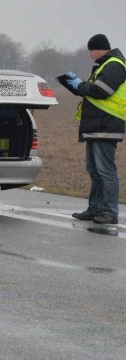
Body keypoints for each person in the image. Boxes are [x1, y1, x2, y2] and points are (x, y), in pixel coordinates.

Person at [60, 33, 125, 225]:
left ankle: (110, 212)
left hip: (106, 125)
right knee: (94, 170)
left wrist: (81, 85)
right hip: (96, 125)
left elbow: (102, 91)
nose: (89, 54)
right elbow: (93, 90)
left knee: (106, 171)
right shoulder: (104, 65)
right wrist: (79, 86)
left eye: (91, 50)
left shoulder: (114, 65)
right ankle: (95, 209)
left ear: (100, 48)